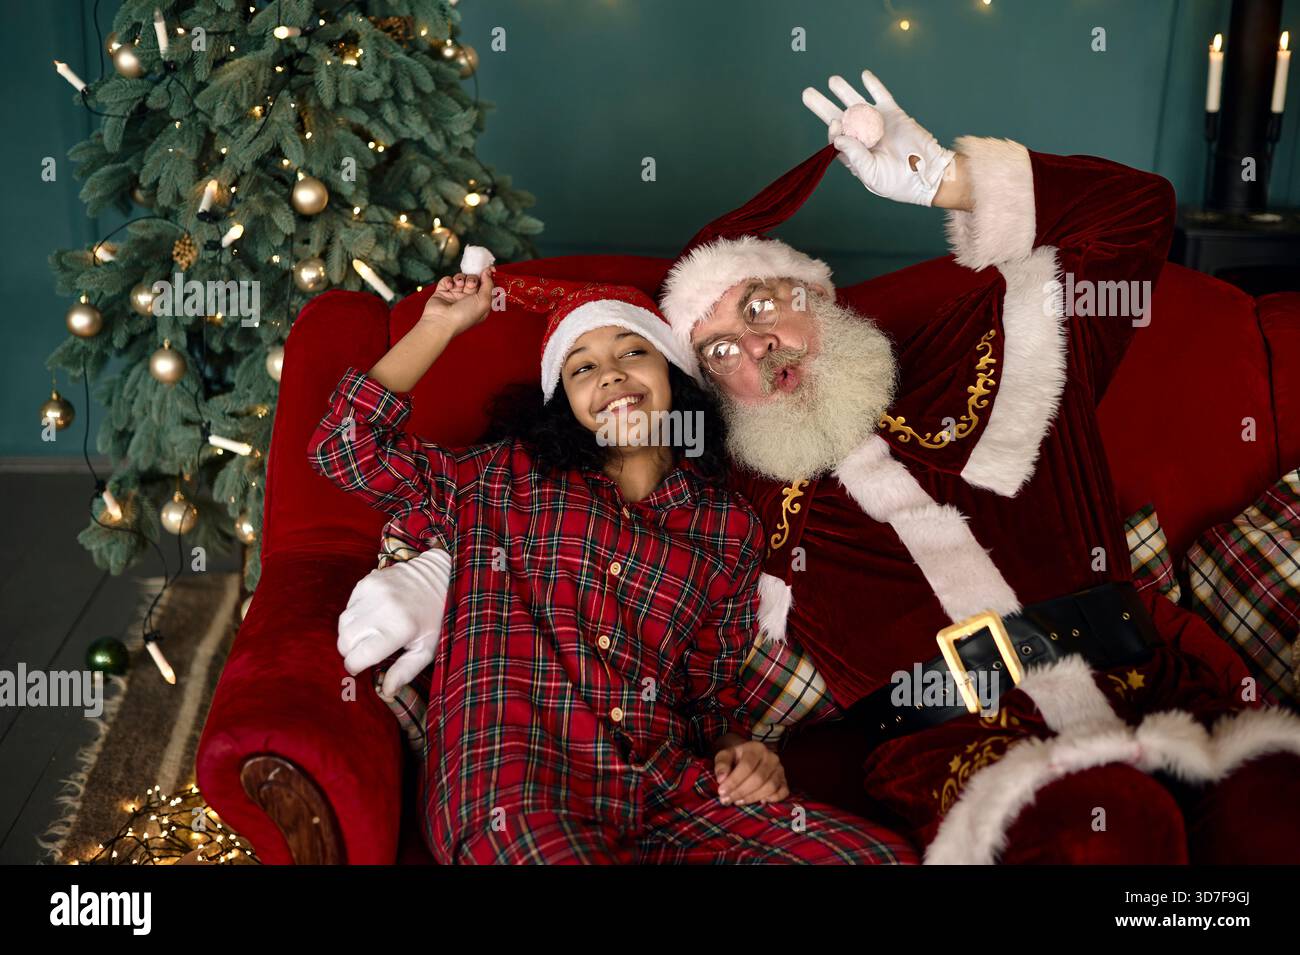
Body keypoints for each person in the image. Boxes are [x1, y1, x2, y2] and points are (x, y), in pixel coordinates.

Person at [652, 68, 1300, 864]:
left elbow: (1138, 214)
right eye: (719, 351)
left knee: (1274, 817)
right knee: (1107, 834)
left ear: (813, 293)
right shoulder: (740, 492)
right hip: (963, 752)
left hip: (1154, 688)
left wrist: (940, 179)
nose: (754, 349)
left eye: (757, 307)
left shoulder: (990, 346)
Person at [307, 262, 916, 864]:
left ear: (673, 374)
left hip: (666, 790)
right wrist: (436, 326)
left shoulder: (726, 524)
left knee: (877, 856)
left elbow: (712, 698)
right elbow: (344, 447)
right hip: (515, 787)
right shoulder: (501, 476)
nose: (612, 377)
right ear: (563, 400)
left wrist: (742, 752)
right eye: (583, 368)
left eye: (633, 353)